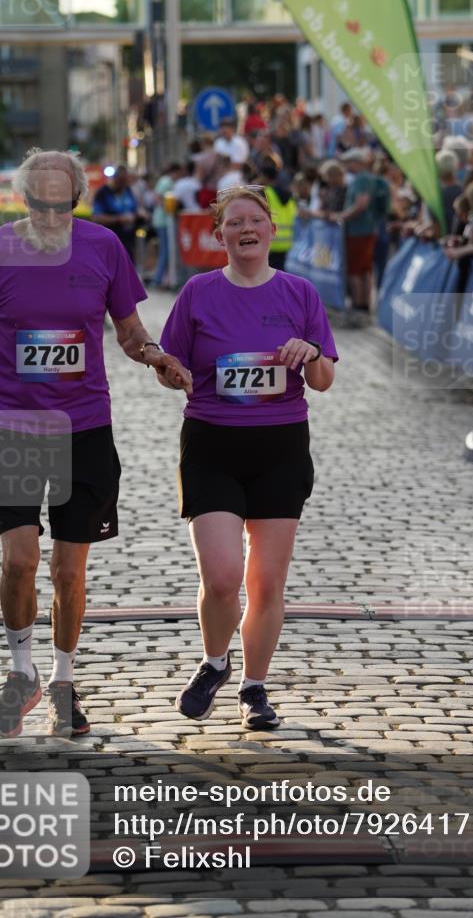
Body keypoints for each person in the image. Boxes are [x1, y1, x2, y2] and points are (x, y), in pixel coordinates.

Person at [0, 147, 191, 739]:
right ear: (24, 198)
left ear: (77, 200)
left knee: (66, 571)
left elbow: (129, 330)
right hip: (15, 427)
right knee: (19, 560)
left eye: (64, 205)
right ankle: (20, 673)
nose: (52, 215)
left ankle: (62, 681)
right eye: (40, 203)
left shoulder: (104, 248)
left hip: (85, 428)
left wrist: (155, 356)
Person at [159, 187, 337, 730]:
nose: (245, 228)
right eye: (234, 222)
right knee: (221, 576)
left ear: (271, 228)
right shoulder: (197, 292)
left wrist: (310, 355)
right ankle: (215, 661)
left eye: (255, 219)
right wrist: (173, 372)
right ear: (220, 236)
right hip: (212, 442)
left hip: (280, 446)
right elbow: (171, 366)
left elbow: (324, 379)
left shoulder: (300, 293)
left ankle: (255, 688)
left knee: (265, 583)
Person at [331, 148, 390, 312]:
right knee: (365, 269)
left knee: (355, 270)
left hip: (358, 230)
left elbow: (361, 204)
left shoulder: (361, 179)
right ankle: (364, 304)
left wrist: (342, 216)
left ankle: (358, 305)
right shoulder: (370, 178)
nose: (345, 166)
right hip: (368, 229)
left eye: (348, 162)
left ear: (356, 163)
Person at [91, 165, 140, 264]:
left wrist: (139, 214)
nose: (124, 184)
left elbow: (134, 208)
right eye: (121, 181)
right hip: (110, 241)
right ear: (115, 179)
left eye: (126, 181)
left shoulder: (127, 190)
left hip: (128, 241)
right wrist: (119, 219)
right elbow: (96, 218)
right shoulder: (103, 193)